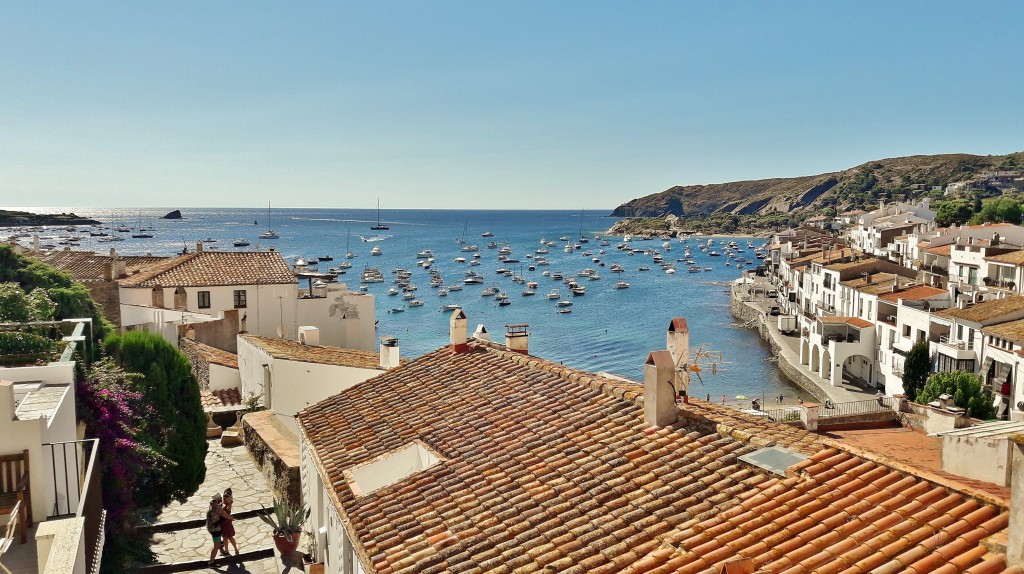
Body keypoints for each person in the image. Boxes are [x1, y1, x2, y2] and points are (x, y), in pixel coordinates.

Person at [206, 494, 225, 566]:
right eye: (219, 499)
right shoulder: (213, 510)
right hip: (215, 530)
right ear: (215, 501)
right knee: (216, 546)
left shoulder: (213, 506)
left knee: (217, 543)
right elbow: (215, 520)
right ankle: (211, 562)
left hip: (213, 528)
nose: (221, 500)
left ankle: (220, 543)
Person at [220, 487, 239, 556]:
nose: (224, 497)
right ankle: (226, 551)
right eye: (224, 495)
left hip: (227, 524)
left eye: (226, 496)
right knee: (225, 538)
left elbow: (227, 512)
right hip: (222, 524)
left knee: (230, 538)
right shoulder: (222, 503)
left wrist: (230, 502)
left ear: (230, 497)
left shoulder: (228, 505)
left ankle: (236, 549)